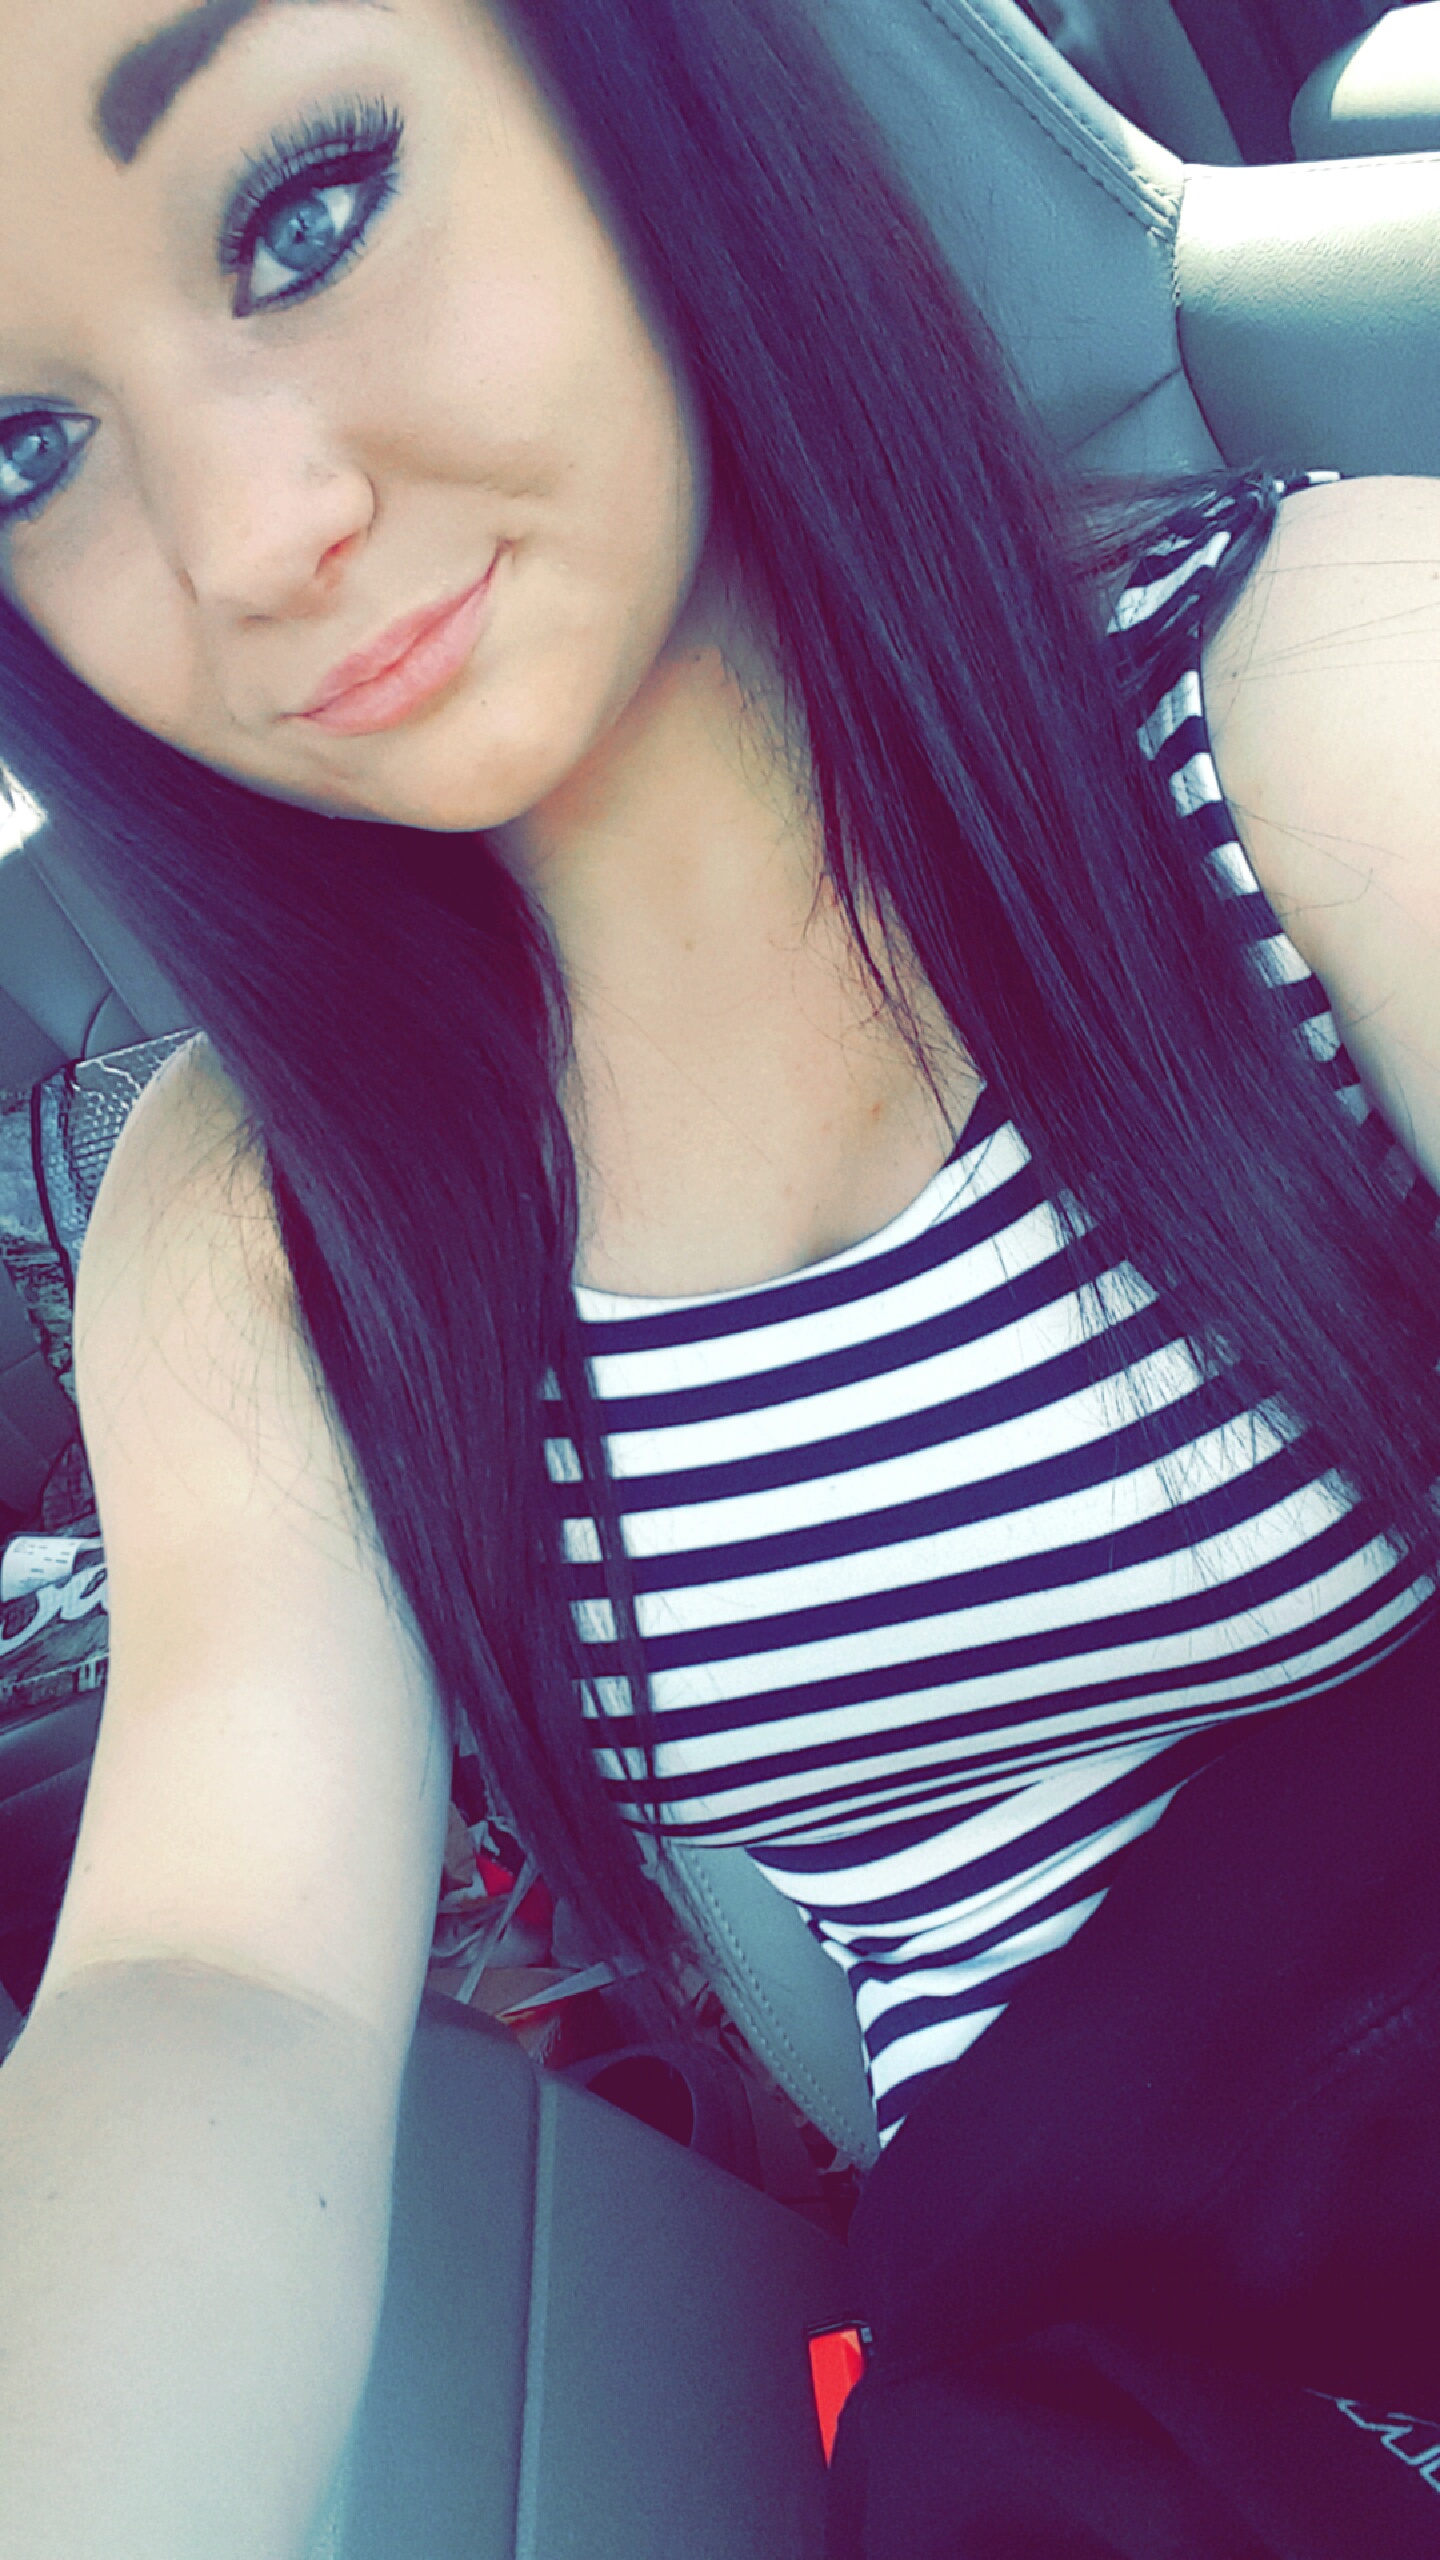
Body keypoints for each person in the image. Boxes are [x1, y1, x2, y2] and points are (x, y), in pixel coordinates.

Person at [0, 0, 1438, 2552]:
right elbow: (206, 1981)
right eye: (21, 449)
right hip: (1134, 2368)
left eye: (308, 209)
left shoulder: (1316, 702)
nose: (246, 536)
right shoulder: (261, 1226)